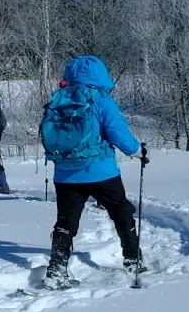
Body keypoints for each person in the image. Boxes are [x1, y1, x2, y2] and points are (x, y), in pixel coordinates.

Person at [42, 55, 148, 290]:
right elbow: (118, 133)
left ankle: (56, 270)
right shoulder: (100, 99)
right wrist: (138, 151)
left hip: (65, 174)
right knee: (121, 212)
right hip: (100, 171)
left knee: (65, 222)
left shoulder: (59, 98)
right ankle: (133, 260)